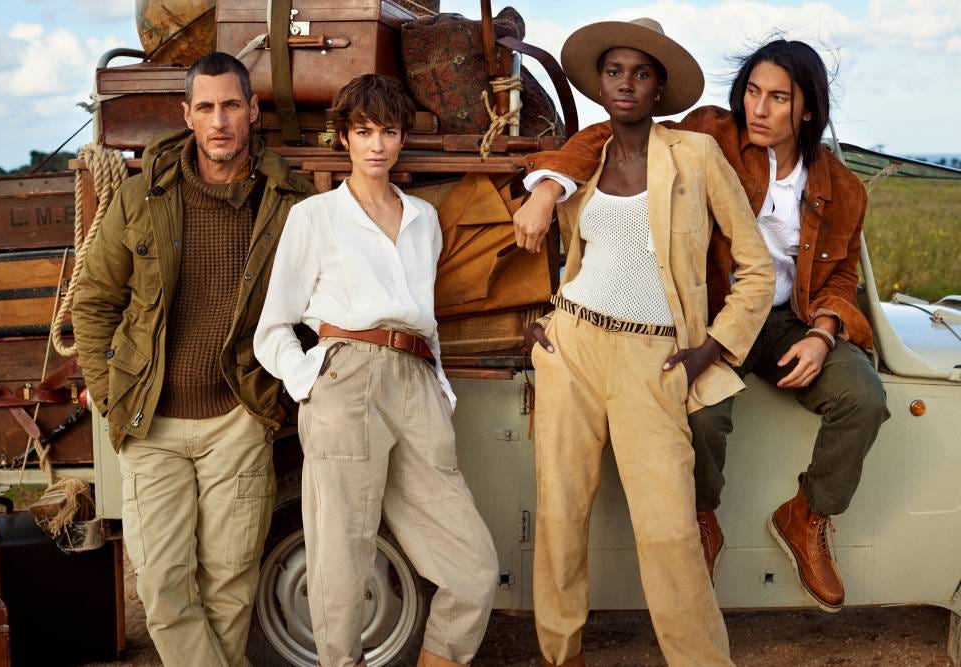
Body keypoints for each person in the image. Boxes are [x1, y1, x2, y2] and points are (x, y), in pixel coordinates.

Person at [518, 38, 890, 612]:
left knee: (863, 395)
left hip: (789, 321)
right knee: (700, 415)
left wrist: (822, 332)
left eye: (779, 98)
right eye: (753, 93)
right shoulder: (710, 133)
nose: (760, 109)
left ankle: (808, 514)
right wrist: (548, 187)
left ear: (807, 109)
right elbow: (612, 132)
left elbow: (839, 277)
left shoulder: (843, 187)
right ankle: (701, 516)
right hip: (707, 316)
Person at [524, 19, 774, 667]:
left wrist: (713, 347)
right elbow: (536, 225)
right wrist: (538, 320)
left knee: (669, 529)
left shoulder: (695, 156)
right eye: (614, 72)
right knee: (559, 511)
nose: (626, 84)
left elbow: (756, 266)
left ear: (661, 87)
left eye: (640, 73)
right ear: (601, 82)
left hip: (655, 355)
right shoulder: (586, 153)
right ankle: (561, 653)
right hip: (571, 345)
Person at [73, 52, 314, 666]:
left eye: (231, 105)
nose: (219, 121)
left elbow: (318, 307)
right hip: (150, 420)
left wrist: (282, 396)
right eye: (205, 108)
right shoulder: (139, 197)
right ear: (186, 116)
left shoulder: (290, 202)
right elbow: (95, 302)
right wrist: (109, 394)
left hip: (238, 416)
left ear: (253, 111)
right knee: (161, 585)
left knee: (230, 586)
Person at [253, 74, 499, 667]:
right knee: (341, 556)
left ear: (401, 137)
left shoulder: (423, 219)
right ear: (343, 138)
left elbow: (427, 318)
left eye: (388, 131)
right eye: (363, 131)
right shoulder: (316, 216)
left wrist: (438, 388)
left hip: (416, 381)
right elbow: (273, 327)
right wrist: (311, 378)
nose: (376, 145)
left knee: (475, 568)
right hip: (346, 376)